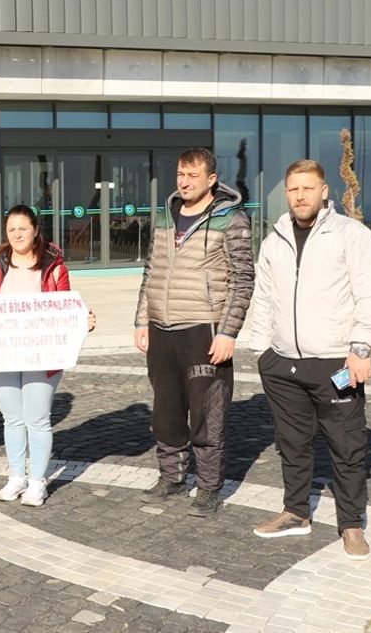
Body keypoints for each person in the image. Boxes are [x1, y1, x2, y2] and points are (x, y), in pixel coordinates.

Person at [246, 160, 371, 560]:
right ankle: (296, 513)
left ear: (324, 192)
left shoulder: (350, 235)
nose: (301, 196)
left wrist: (360, 349)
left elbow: (370, 296)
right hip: (282, 364)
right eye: (293, 189)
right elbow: (263, 297)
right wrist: (261, 350)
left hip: (335, 364)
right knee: (291, 444)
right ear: (286, 193)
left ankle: (352, 524)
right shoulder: (274, 239)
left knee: (347, 446)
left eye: (308, 188)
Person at [133, 147, 254, 518]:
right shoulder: (164, 216)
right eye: (181, 175)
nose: (184, 182)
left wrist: (228, 332)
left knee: (207, 414)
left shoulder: (231, 220)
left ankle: (208, 486)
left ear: (211, 180)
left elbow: (243, 280)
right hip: (162, 330)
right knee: (166, 412)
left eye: (193, 176)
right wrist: (142, 319)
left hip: (204, 330)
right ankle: (171, 476)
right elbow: (150, 272)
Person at [0, 205, 97, 507]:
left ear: (35, 229)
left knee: (37, 418)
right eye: (11, 229)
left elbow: (65, 308)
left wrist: (83, 320)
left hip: (42, 355)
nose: (16, 234)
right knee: (12, 419)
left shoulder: (53, 266)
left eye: (22, 228)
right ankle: (17, 475)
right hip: (4, 353)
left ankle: (38, 480)